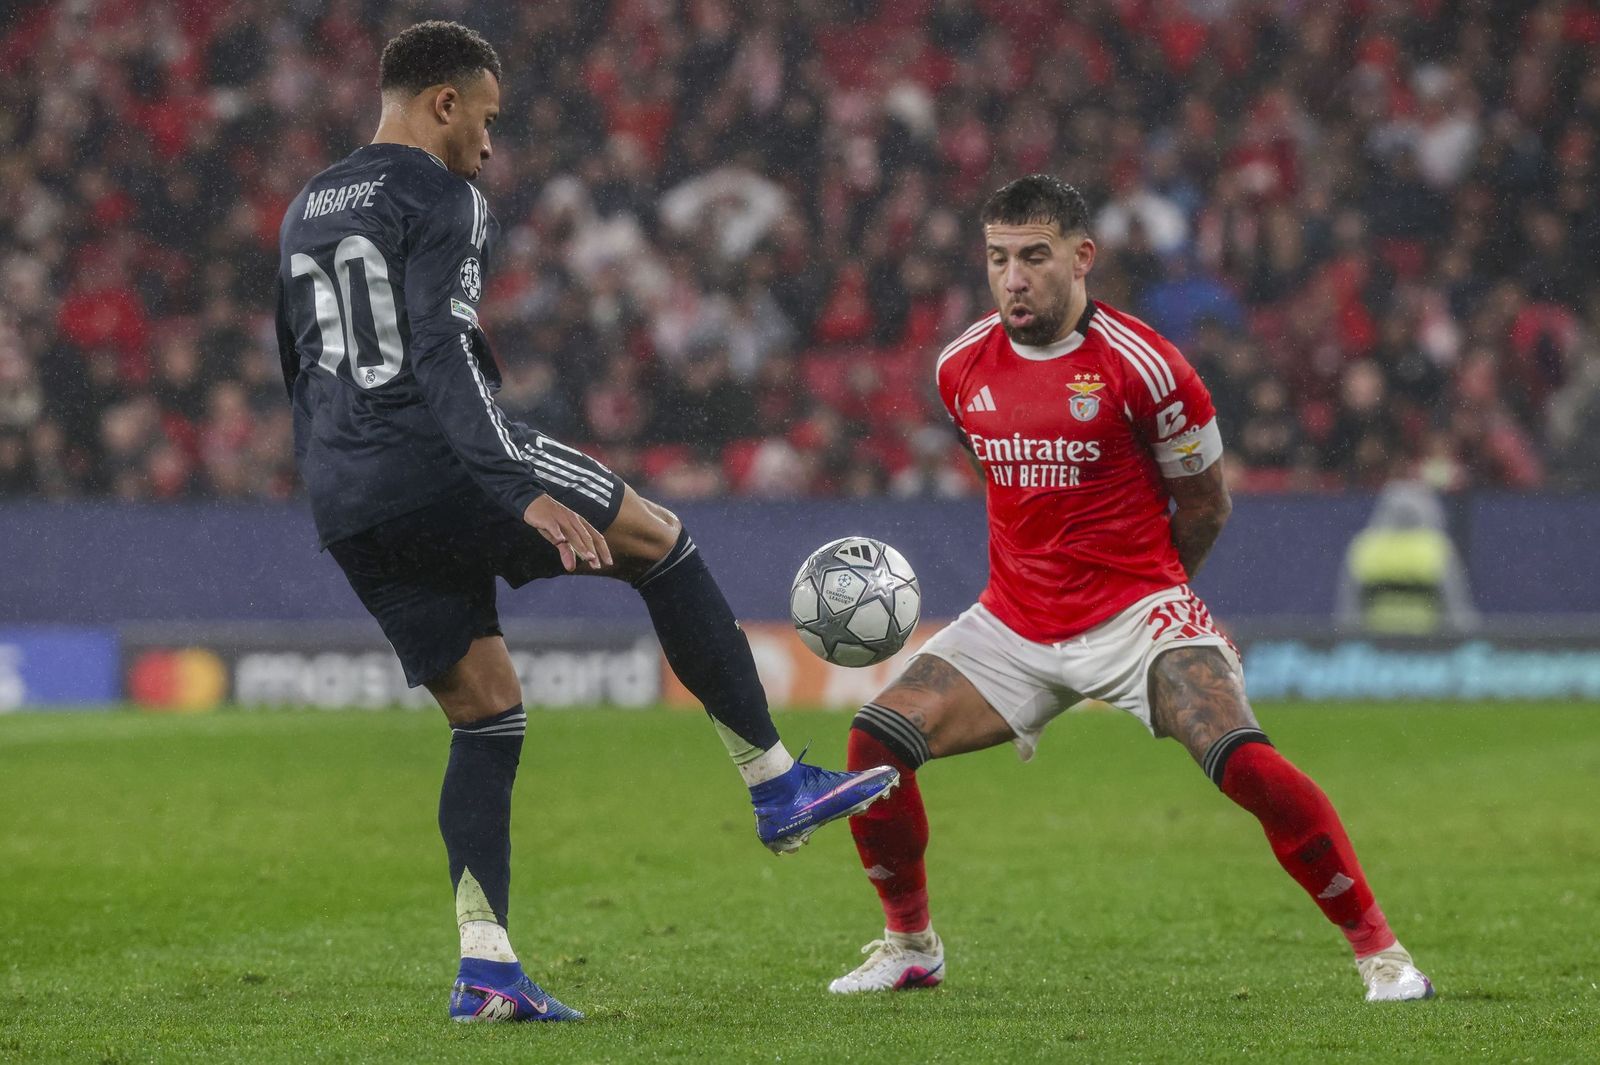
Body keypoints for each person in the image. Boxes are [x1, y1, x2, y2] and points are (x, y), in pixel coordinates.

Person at [273, 21, 897, 1024]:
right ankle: (774, 780)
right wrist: (511, 485)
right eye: (486, 117)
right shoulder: (444, 194)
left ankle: (486, 969)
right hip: (443, 457)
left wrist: (342, 483)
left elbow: (298, 366)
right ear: (443, 102)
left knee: (485, 714)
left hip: (344, 492)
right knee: (662, 542)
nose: (489, 142)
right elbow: (436, 347)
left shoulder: (306, 204)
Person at [827, 175, 1433, 1003]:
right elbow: (1001, 477)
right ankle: (911, 945)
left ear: (1082, 257)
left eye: (1033, 256)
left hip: (1137, 611)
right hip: (1013, 620)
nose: (1013, 278)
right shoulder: (960, 364)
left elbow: (1206, 504)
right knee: (874, 744)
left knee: (1239, 753)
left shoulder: (1149, 366)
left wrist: (1163, 606)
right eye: (999, 258)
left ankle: (1383, 953)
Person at [1336, 480, 1478, 634]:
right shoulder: (1436, 547)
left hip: (1376, 648)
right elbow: (1457, 611)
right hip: (1426, 647)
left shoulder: (1365, 546)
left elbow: (1348, 612)